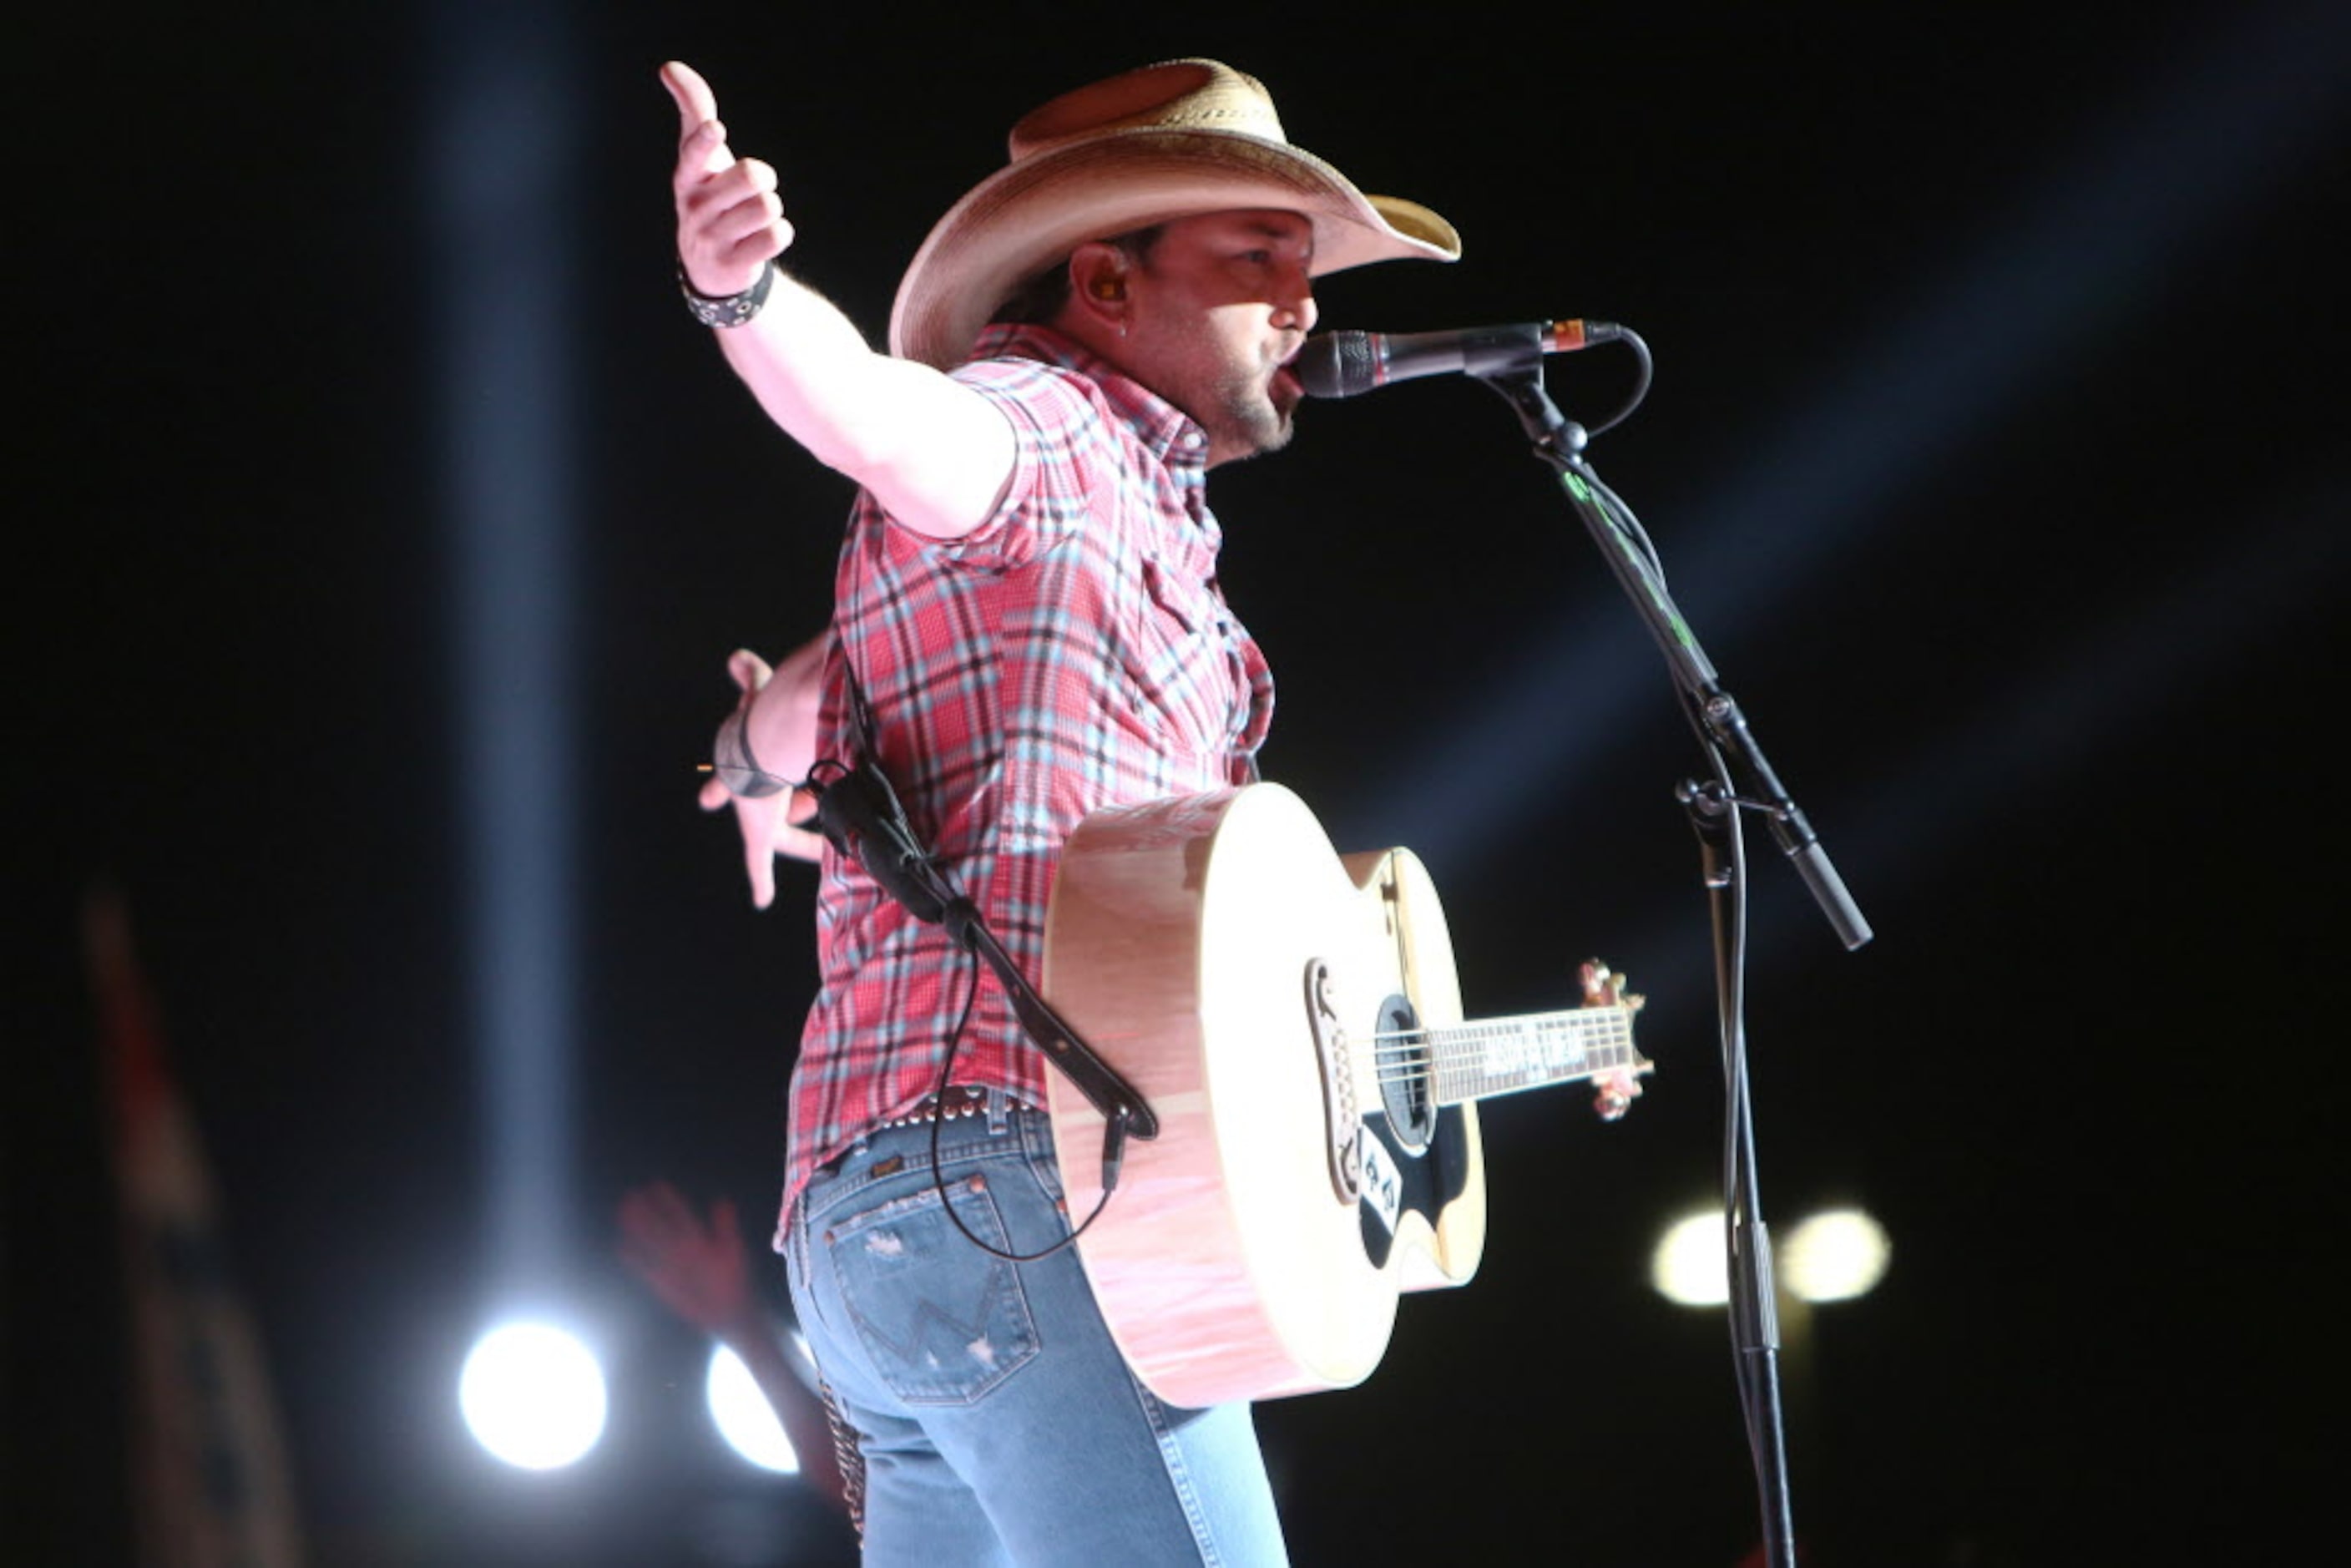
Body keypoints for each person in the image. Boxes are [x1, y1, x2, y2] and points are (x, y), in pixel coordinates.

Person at [666, 56, 1459, 1565]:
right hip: (1029, 1189)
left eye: (1302, 266)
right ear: (1104, 277)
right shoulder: (1038, 427)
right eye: (1257, 259)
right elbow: (875, 419)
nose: (1303, 304)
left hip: (879, 1239)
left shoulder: (1100, 538)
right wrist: (749, 302)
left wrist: (756, 758)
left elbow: (817, 688)